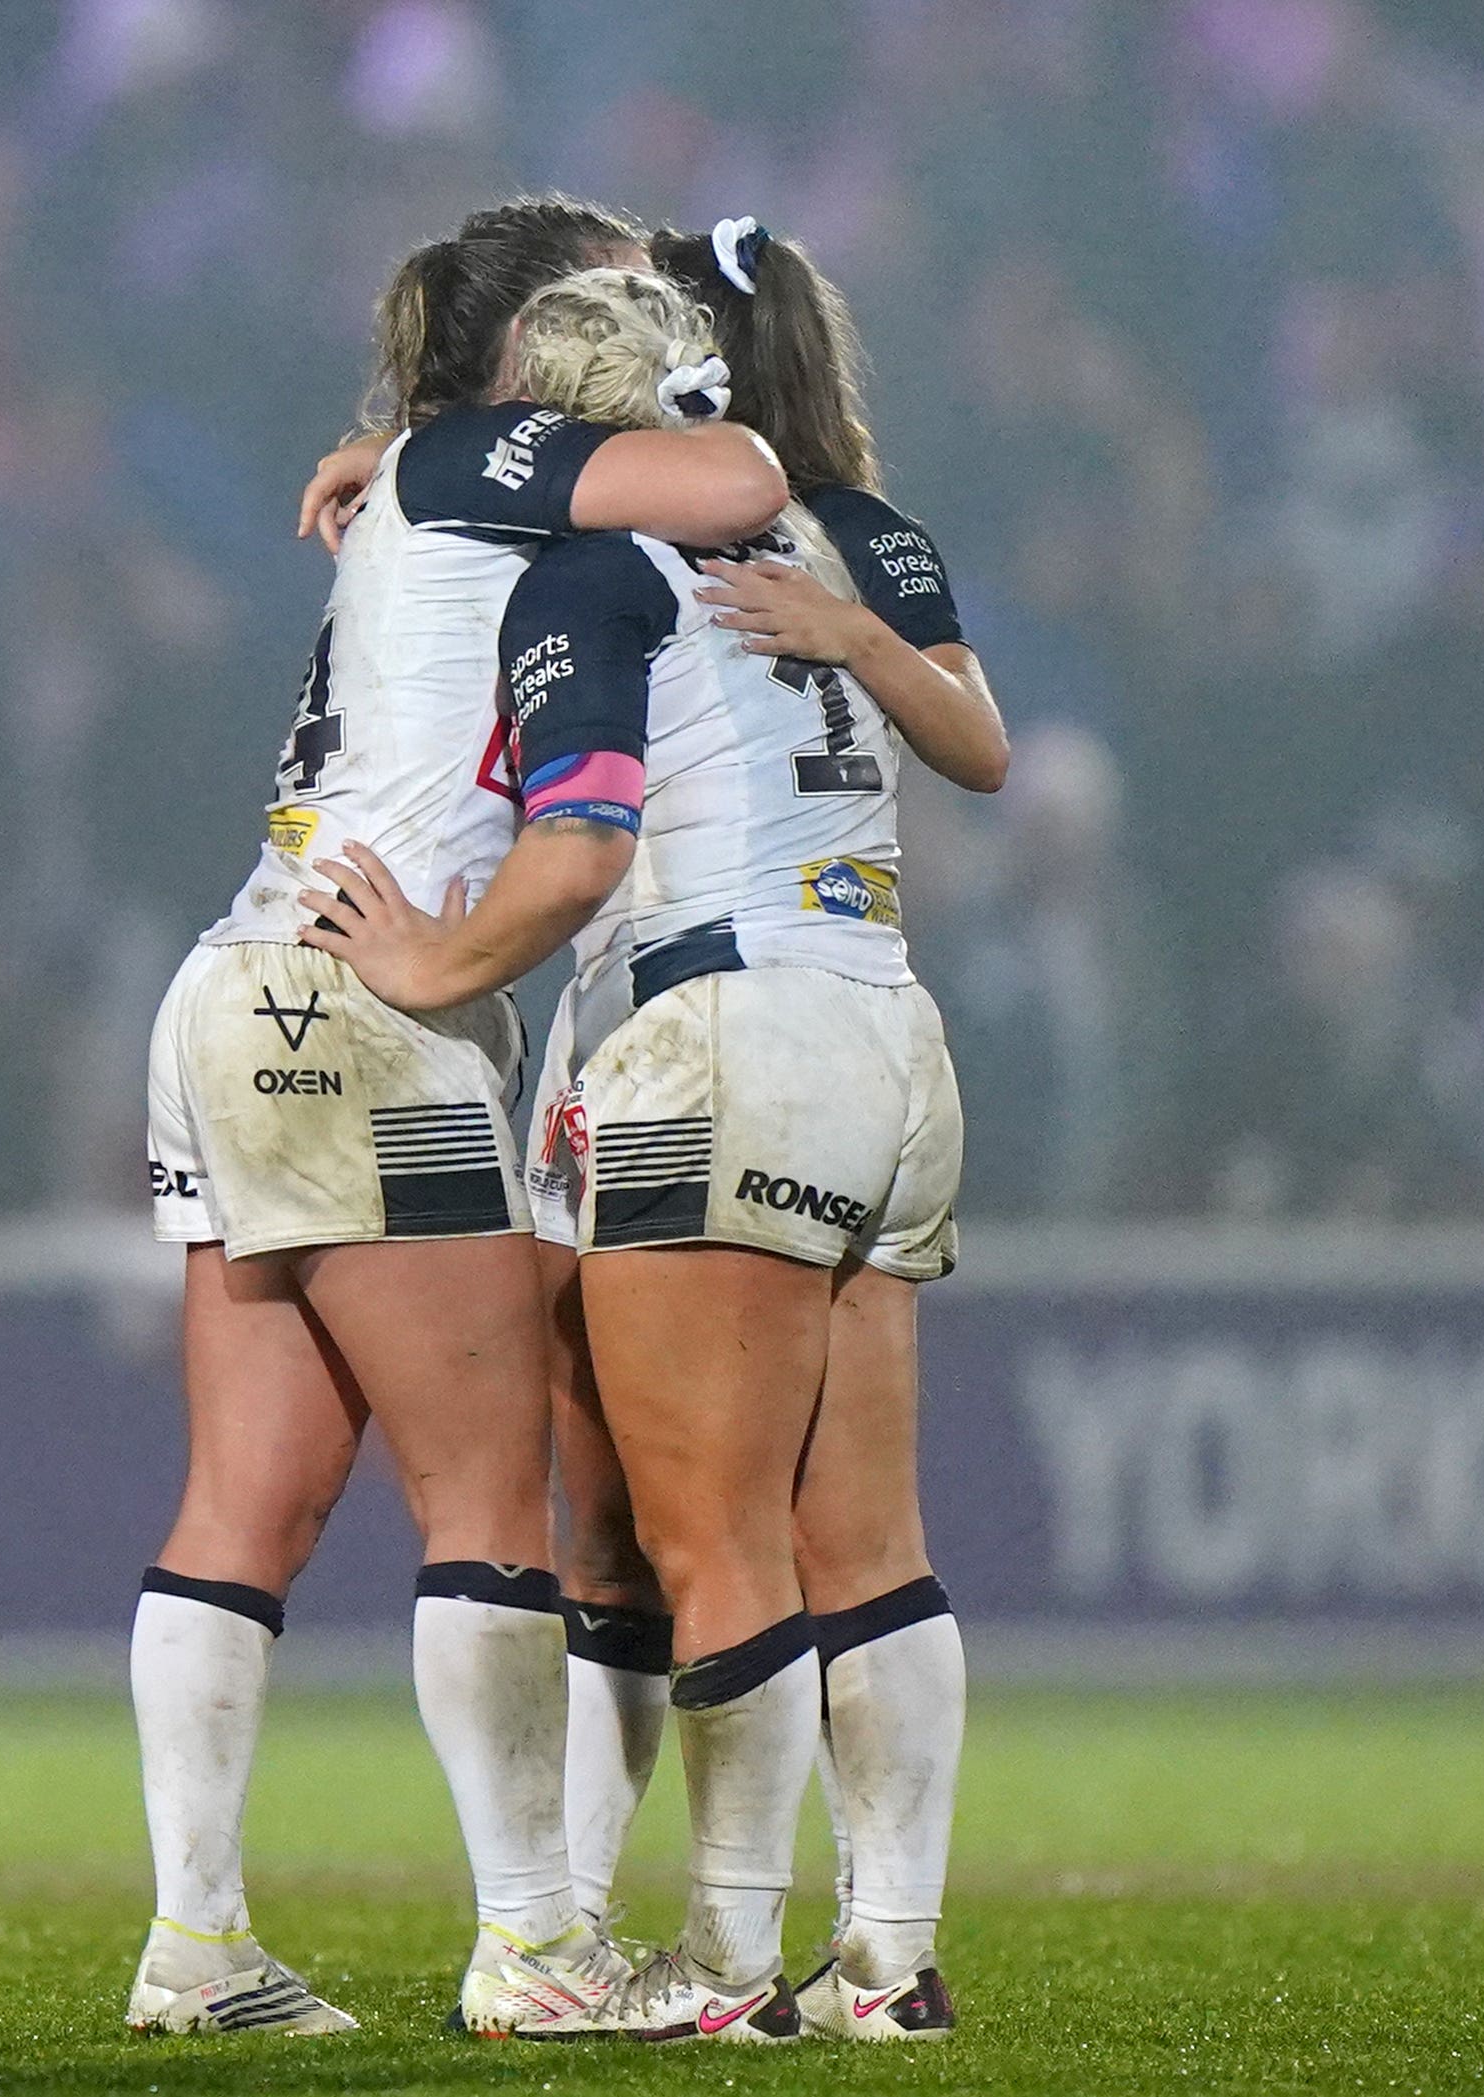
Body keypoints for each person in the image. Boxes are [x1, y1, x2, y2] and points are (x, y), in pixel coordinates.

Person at [305, 254, 999, 2044]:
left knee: (709, 1545)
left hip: (720, 1026)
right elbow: (977, 744)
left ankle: (725, 1959)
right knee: (871, 1540)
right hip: (890, 1031)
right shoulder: (863, 533)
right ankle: (889, 1959)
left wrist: (428, 961)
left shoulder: (594, 571)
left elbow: (585, 839)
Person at [128, 198, 790, 2039]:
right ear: (528, 357)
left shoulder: (447, 487)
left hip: (225, 985)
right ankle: (535, 1942)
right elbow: (739, 477)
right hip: (360, 1001)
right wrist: (438, 975)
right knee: (493, 1495)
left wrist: (390, 446)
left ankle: (197, 1945)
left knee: (243, 1502)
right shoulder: (489, 464)